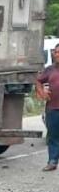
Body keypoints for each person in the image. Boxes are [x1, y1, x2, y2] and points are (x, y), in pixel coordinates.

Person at [36, 43, 59, 171]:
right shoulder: (50, 70)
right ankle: (53, 161)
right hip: (53, 108)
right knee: (53, 135)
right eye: (55, 52)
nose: (57, 55)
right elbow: (38, 81)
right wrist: (41, 92)